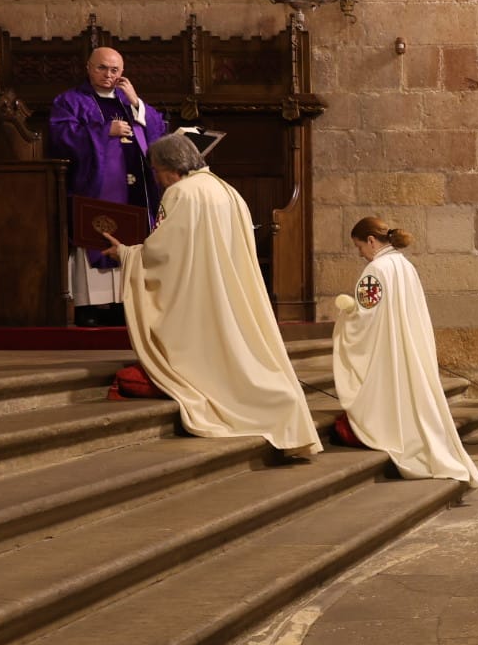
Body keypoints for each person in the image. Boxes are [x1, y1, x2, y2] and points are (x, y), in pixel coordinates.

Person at [103, 131, 320, 459]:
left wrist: (126, 254)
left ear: (170, 168)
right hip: (229, 294)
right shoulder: (227, 191)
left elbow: (163, 253)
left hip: (199, 300)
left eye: (156, 171)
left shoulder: (180, 194)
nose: (157, 179)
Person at [331, 218, 478, 485]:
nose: (360, 253)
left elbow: (366, 317)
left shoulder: (375, 269)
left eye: (359, 246)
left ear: (371, 240)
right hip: (407, 343)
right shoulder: (404, 265)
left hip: (388, 347)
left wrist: (347, 313)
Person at [49, 46, 165, 327]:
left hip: (135, 189)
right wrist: (104, 131)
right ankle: (90, 306)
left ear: (122, 72)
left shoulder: (128, 100)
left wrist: (137, 103)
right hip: (96, 187)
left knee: (131, 239)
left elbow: (160, 132)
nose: (108, 75)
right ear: (89, 68)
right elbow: (60, 136)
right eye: (102, 68)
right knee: (96, 237)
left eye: (114, 70)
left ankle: (124, 304)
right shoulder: (71, 101)